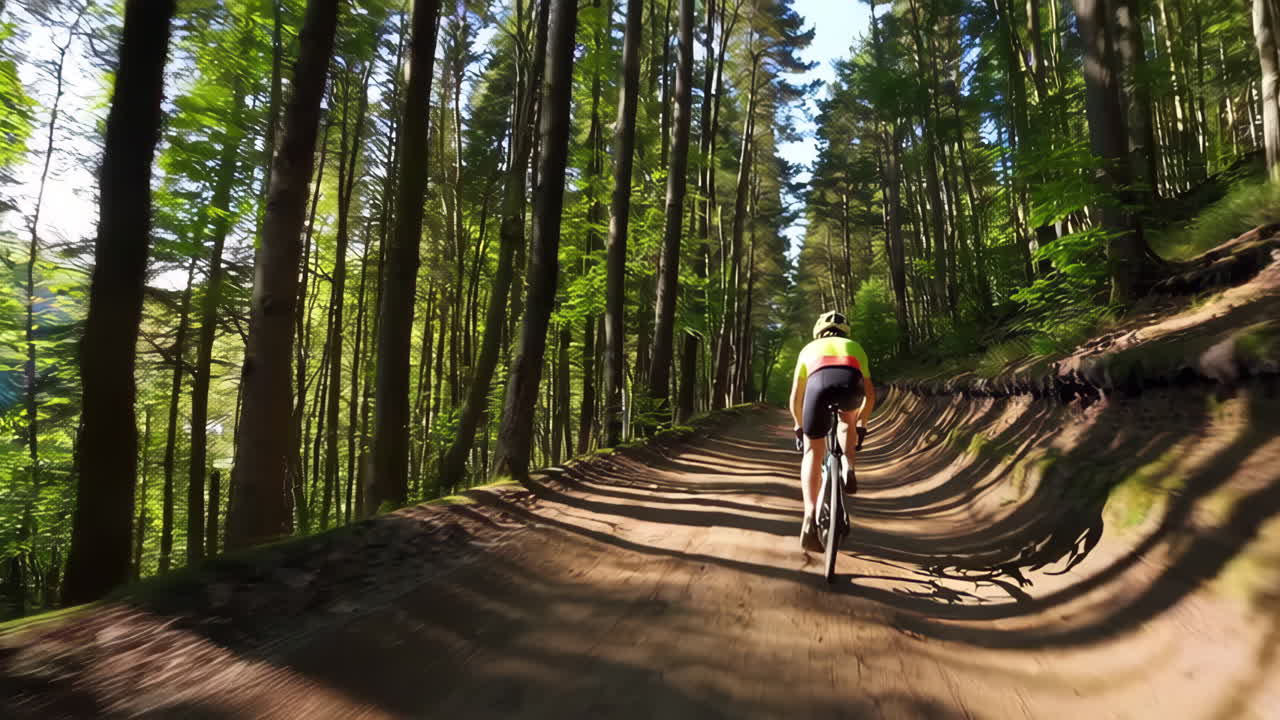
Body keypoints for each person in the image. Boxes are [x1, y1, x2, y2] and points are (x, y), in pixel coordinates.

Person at [788, 310, 876, 553]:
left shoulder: (808, 349)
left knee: (812, 452)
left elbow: (796, 394)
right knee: (847, 419)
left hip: (818, 386)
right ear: (845, 331)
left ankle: (809, 515)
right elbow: (869, 394)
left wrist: (798, 424)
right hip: (850, 385)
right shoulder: (855, 347)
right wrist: (863, 422)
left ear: (818, 331)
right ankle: (849, 467)